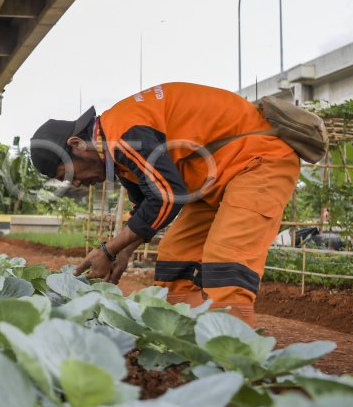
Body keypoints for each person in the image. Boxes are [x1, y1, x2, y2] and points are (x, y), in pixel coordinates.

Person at [29, 82, 301, 325]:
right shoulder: (115, 146)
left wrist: (108, 250)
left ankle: (233, 352)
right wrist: (123, 253)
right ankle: (187, 338)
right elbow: (147, 204)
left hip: (257, 162)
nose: (76, 184)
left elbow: (166, 197)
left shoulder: (124, 135)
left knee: (226, 258)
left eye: (69, 174)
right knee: (174, 255)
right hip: (214, 180)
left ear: (77, 144)